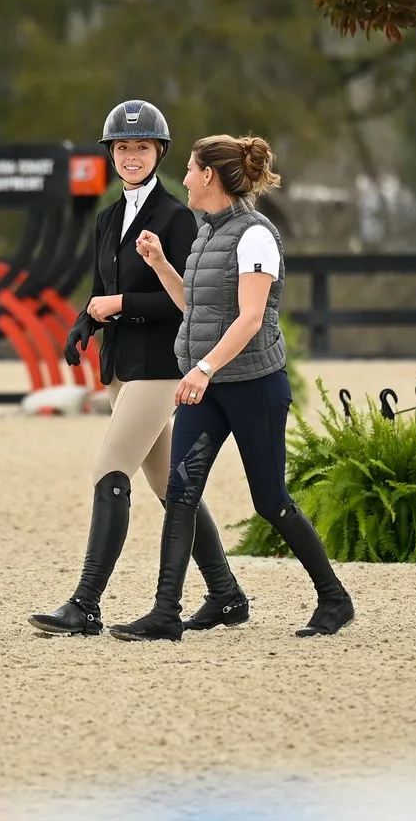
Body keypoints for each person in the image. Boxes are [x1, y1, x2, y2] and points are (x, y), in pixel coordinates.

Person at [113, 134, 354, 641]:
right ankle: (165, 613)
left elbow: (248, 320)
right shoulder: (206, 233)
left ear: (209, 176)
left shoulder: (256, 236)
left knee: (271, 501)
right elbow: (195, 310)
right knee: (180, 493)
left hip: (254, 387)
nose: (181, 178)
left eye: (188, 169)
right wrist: (159, 266)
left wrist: (202, 370)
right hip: (211, 386)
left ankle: (334, 597)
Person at [28, 100, 248, 637]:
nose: (131, 156)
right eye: (123, 148)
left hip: (159, 367)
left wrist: (120, 304)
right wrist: (87, 320)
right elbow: (102, 290)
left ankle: (86, 603)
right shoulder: (107, 218)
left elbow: (184, 300)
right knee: (174, 488)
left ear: (159, 153)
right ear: (111, 153)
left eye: (141, 148)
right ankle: (225, 595)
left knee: (110, 471)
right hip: (122, 368)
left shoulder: (177, 217)